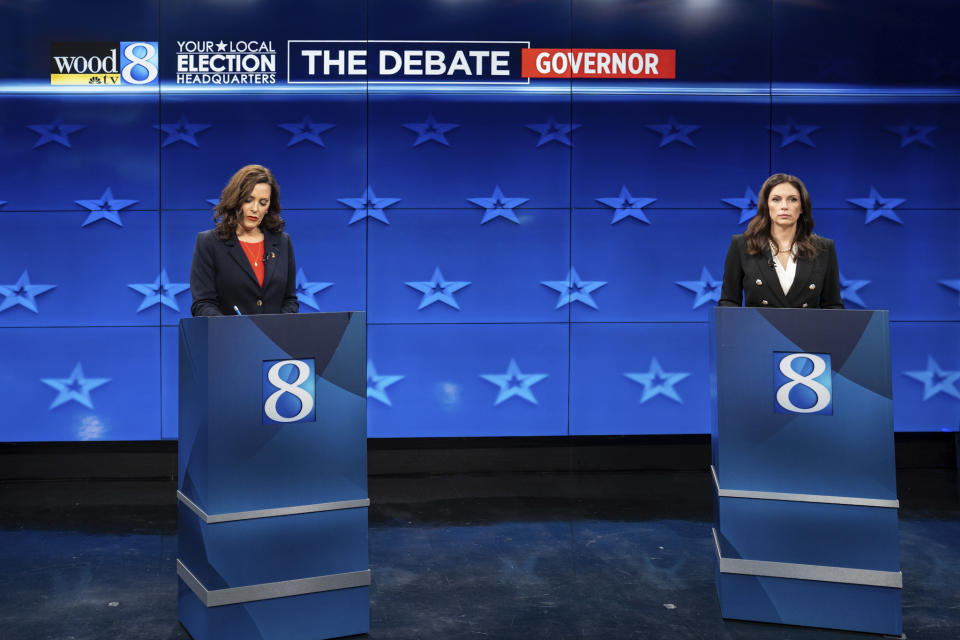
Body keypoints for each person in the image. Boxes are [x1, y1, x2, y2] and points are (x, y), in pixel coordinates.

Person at [718, 173, 843, 309]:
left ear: (802, 207)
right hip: (758, 329)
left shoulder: (824, 248)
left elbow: (833, 306)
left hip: (807, 329)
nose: (784, 206)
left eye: (793, 199)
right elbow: (728, 303)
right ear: (766, 205)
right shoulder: (742, 245)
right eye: (776, 199)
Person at [190, 164, 299, 316]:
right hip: (228, 337)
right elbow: (203, 303)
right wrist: (234, 331)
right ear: (236, 200)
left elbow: (290, 301)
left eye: (263, 203)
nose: (255, 209)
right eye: (249, 200)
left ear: (268, 206)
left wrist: (278, 329)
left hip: (276, 338)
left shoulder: (282, 242)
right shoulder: (209, 242)